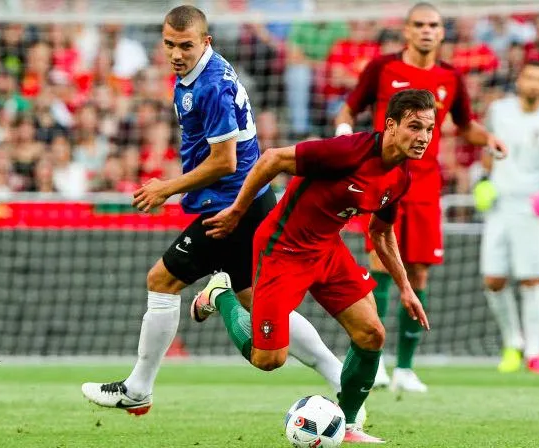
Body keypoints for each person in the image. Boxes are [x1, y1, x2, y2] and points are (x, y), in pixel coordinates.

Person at [81, 5, 347, 415]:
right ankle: (339, 375)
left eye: (185, 46)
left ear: (206, 42)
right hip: (244, 200)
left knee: (162, 280)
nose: (176, 54)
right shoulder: (195, 74)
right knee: (261, 306)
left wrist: (167, 188)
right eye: (169, 44)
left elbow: (225, 160)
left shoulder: (212, 86)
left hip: (230, 206)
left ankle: (138, 389)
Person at [196, 89, 434, 443]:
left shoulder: (400, 177)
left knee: (372, 334)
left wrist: (405, 288)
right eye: (415, 127)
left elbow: (381, 233)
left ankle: (348, 425)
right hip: (283, 248)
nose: (423, 137)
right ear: (391, 126)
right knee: (268, 359)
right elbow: (273, 159)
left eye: (429, 129)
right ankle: (222, 294)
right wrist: (236, 211)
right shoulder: (348, 151)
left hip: (327, 250)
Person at [334, 2, 507, 392]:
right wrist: (345, 137)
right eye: (420, 24)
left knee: (419, 273)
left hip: (426, 187)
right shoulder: (382, 68)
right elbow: (347, 110)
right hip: (384, 179)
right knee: (378, 264)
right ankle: (373, 360)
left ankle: (406, 368)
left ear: (442, 33)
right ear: (407, 31)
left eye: (433, 25)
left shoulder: (450, 76)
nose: (427, 30)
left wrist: (488, 138)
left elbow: (465, 125)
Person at [473, 61, 539, 373]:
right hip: (498, 204)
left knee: (532, 279)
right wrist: (483, 181)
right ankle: (512, 342)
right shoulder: (499, 111)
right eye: (529, 77)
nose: (534, 83)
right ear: (519, 80)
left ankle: (535, 351)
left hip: (531, 207)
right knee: (493, 279)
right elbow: (487, 150)